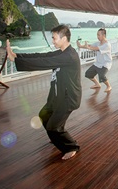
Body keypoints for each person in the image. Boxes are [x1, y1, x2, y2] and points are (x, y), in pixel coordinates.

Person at [6, 24, 81, 160]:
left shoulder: (69, 56)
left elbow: (44, 62)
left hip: (68, 98)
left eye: (54, 38)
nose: (52, 41)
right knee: (44, 116)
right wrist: (17, 55)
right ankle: (57, 136)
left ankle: (71, 146)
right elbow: (42, 55)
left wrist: (16, 61)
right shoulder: (61, 52)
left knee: (53, 127)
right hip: (56, 96)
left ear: (64, 38)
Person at [76, 28, 112, 92]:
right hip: (98, 63)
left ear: (104, 35)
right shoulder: (98, 43)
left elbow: (96, 48)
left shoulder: (107, 45)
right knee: (88, 74)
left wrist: (88, 47)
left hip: (106, 64)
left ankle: (109, 86)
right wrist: (81, 46)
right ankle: (97, 84)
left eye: (99, 35)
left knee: (102, 75)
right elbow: (90, 46)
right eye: (97, 35)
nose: (97, 37)